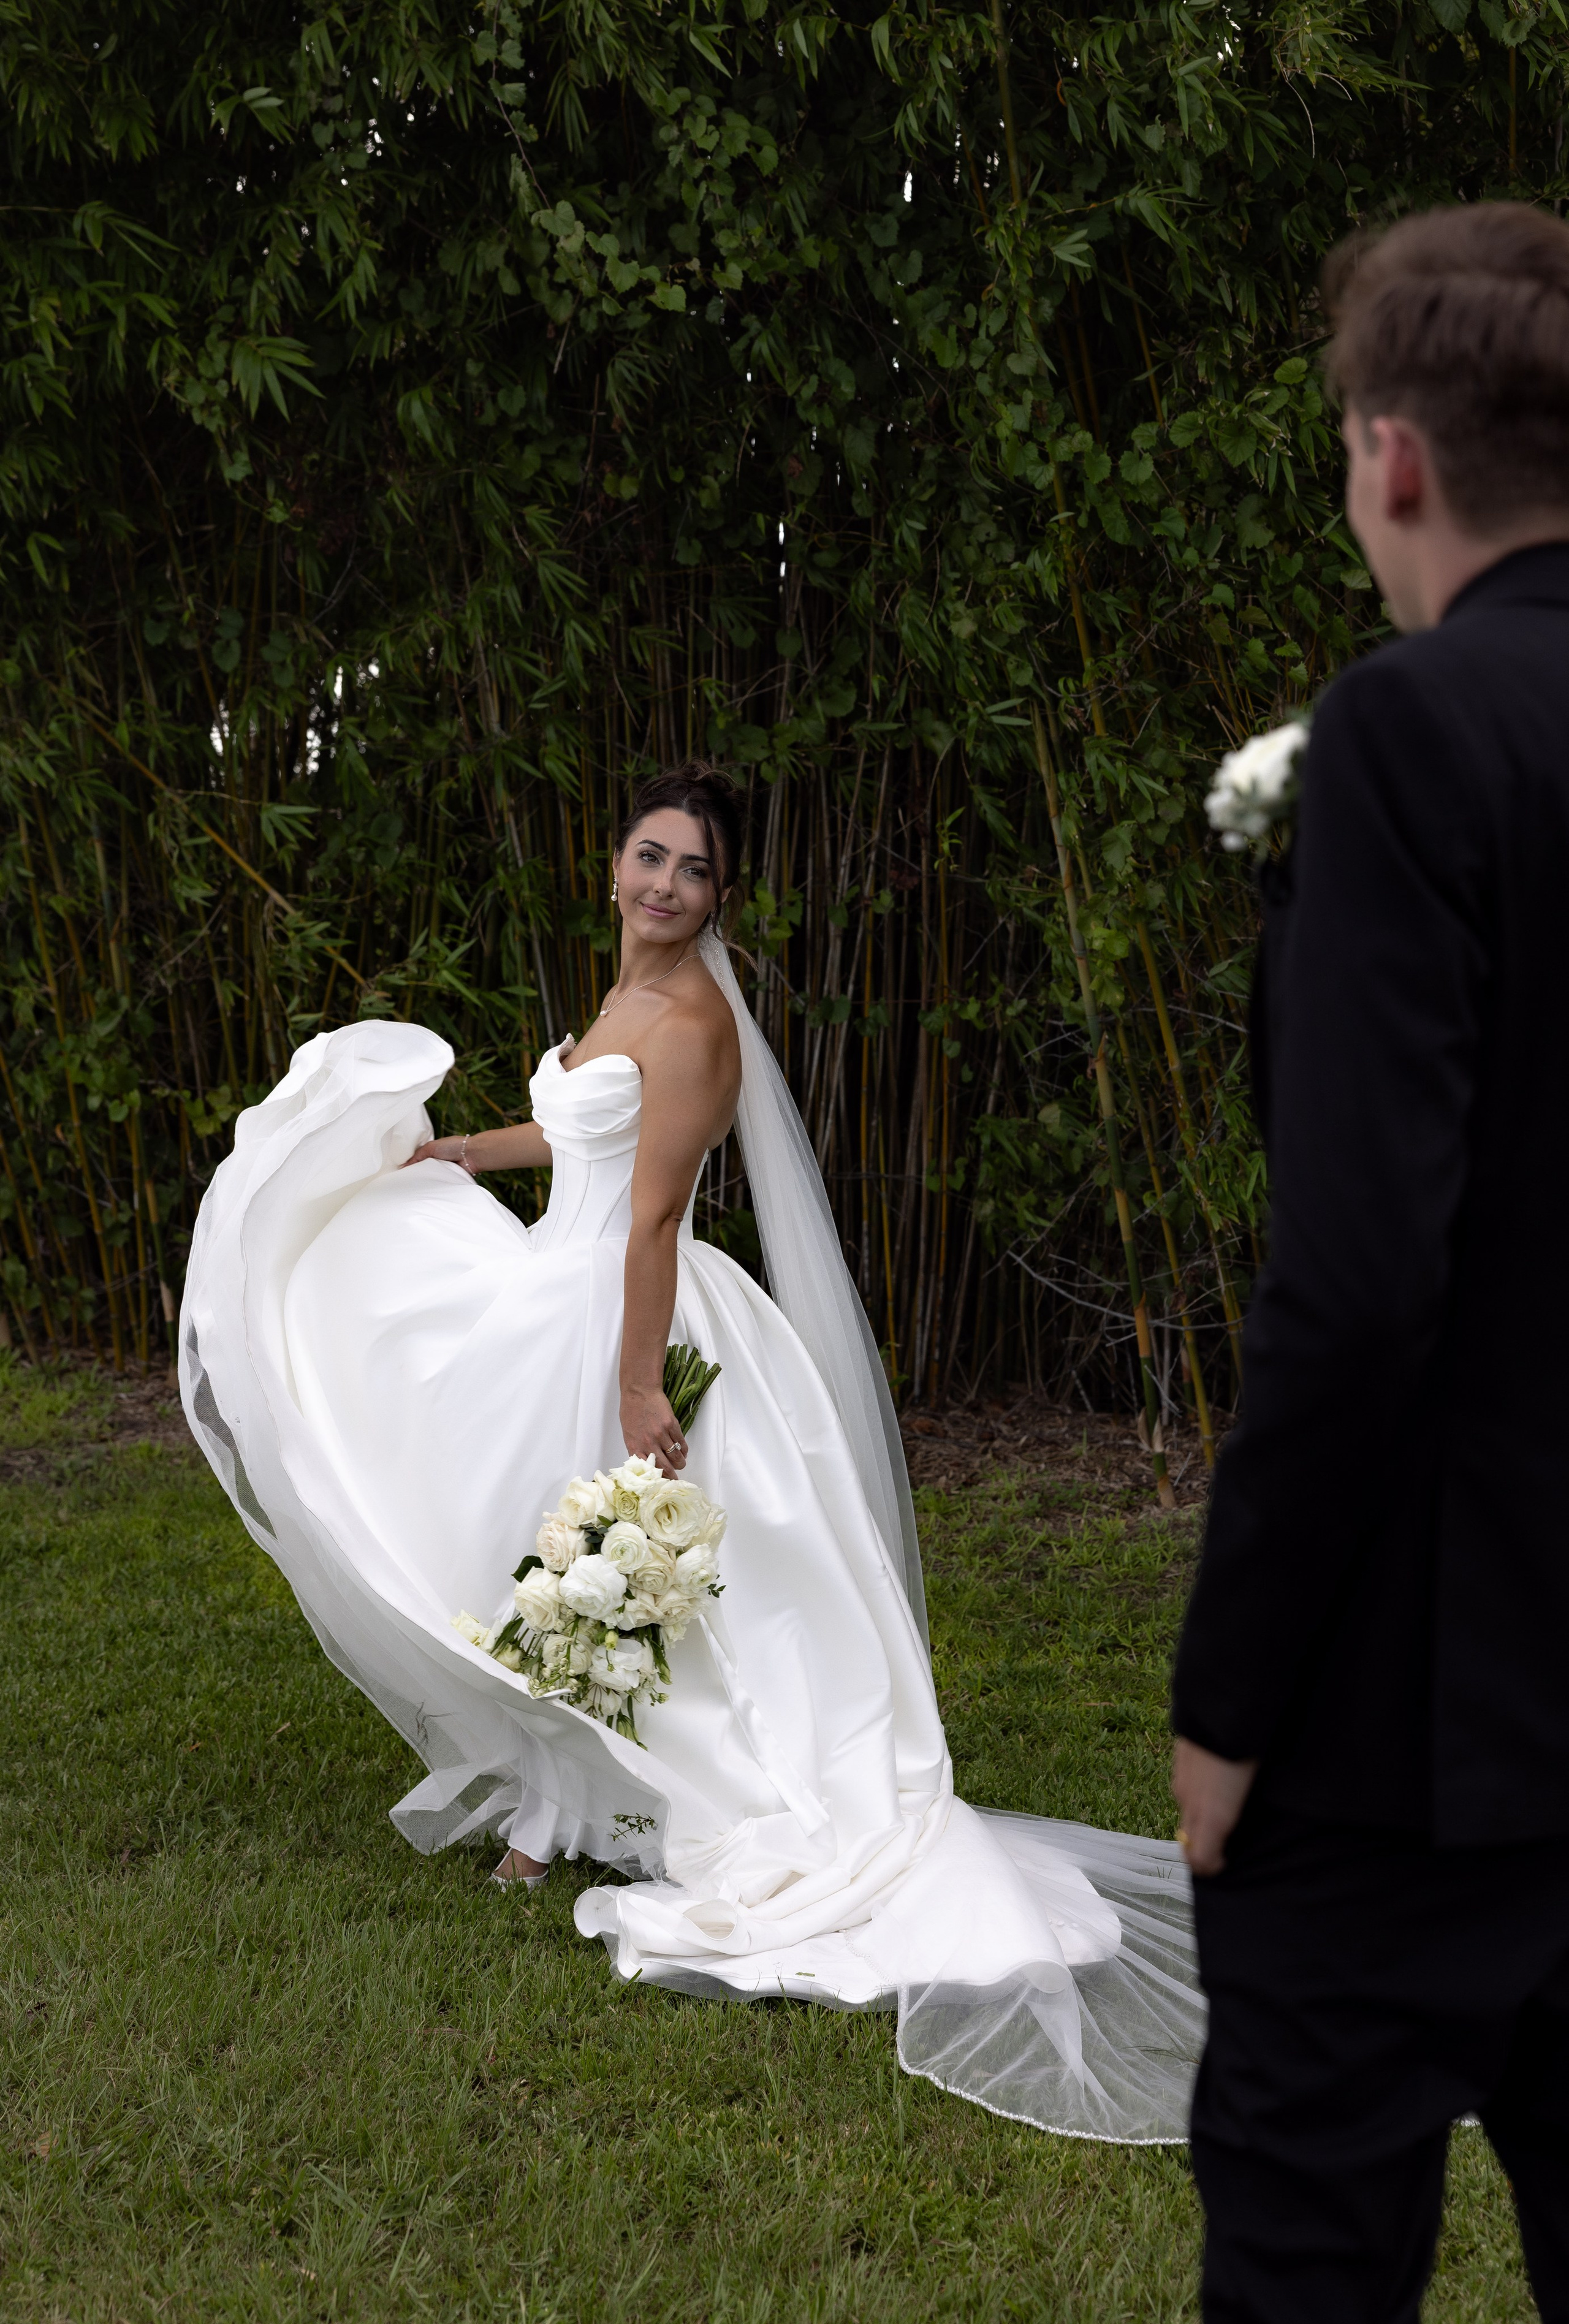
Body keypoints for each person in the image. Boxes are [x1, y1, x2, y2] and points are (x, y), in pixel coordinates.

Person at [181, 761, 1202, 2142]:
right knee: (518, 1548)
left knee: (616, 1580)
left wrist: (634, 1390)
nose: (664, 885)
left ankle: (614, 1799)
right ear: (614, 866)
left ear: (722, 893)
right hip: (560, 1277)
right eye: (649, 857)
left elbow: (650, 1221)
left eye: (693, 869)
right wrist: (462, 1157)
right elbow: (570, 1135)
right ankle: (554, 1791)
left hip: (621, 1311)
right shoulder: (623, 995)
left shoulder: (697, 1021)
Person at [1171, 203, 1569, 2320]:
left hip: (1416, 1732)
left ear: (1392, 457)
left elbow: (1356, 1287)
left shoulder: (1414, 735)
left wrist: (1232, 1706)